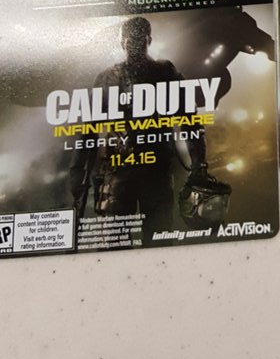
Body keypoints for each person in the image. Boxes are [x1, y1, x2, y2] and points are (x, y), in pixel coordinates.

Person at [69, 16, 211, 244]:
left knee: (158, 240)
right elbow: (88, 130)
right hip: (118, 172)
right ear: (122, 43)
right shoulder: (107, 79)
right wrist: (77, 170)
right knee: (116, 242)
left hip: (155, 172)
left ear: (149, 41)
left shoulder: (165, 72)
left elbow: (190, 121)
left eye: (139, 40)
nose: (134, 45)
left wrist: (199, 164)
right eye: (130, 40)